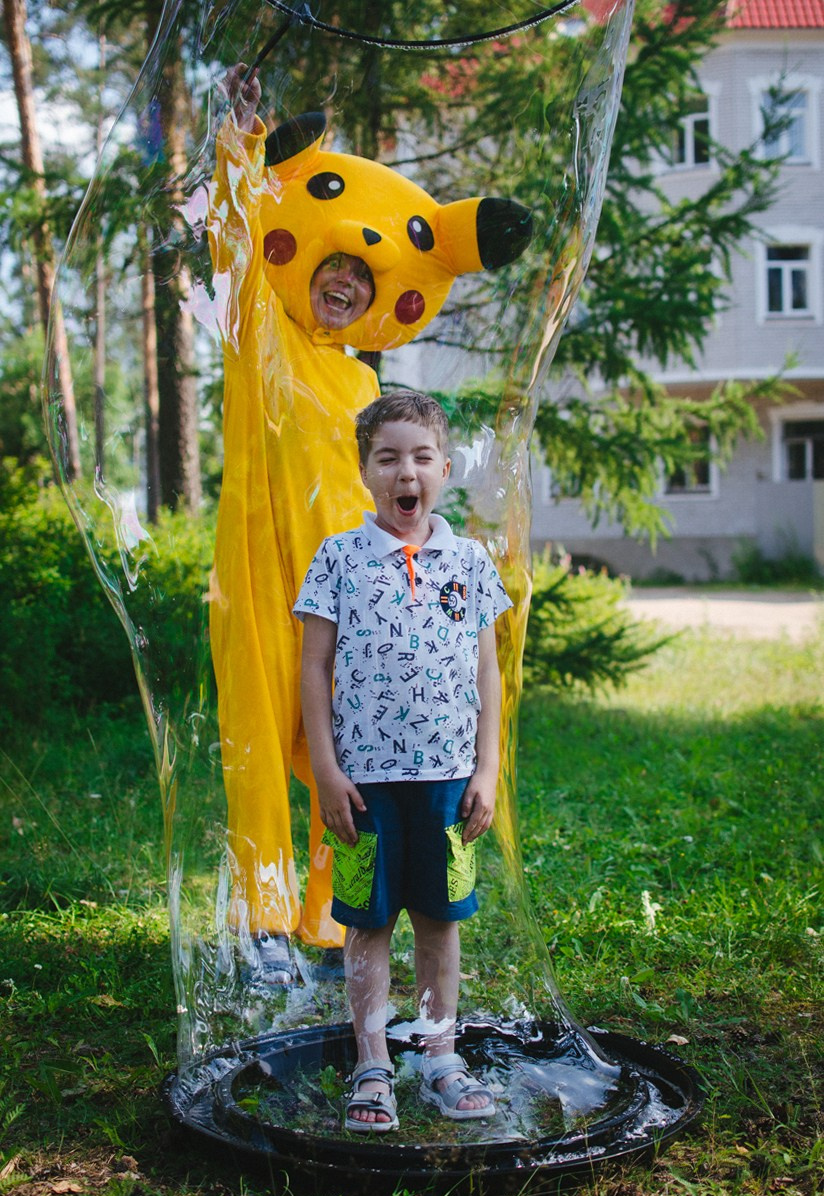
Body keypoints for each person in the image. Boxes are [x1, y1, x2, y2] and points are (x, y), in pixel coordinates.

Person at [208, 65, 532, 986]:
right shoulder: (261, 338)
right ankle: (264, 921)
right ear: (304, 267)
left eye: (359, 277)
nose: (343, 284)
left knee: (342, 751)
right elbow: (234, 246)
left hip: (355, 592)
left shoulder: (362, 383)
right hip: (270, 576)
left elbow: (390, 479)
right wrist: (244, 140)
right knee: (268, 744)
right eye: (331, 268)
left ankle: (326, 922)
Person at [295, 391, 512, 1132]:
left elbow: (489, 676)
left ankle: (439, 1052)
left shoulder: (470, 562)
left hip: (448, 782)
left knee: (439, 920)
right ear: (365, 472)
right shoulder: (339, 559)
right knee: (370, 923)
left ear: (444, 470)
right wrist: (326, 770)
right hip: (364, 786)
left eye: (421, 457)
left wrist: (486, 771)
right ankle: (372, 1061)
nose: (405, 471)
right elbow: (314, 668)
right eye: (388, 458)